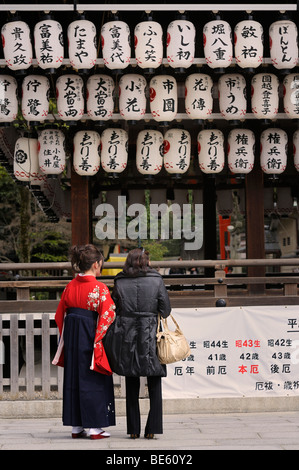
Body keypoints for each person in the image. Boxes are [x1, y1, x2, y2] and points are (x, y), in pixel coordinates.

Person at [103, 248, 171, 439]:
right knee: (155, 381)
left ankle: (133, 429)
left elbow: (114, 306)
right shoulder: (157, 280)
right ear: (147, 262)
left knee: (131, 380)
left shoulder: (120, 281)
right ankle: (152, 429)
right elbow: (165, 310)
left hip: (127, 333)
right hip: (151, 333)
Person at [53, 244, 116, 440]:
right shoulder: (99, 288)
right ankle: (94, 427)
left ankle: (76, 425)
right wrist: (99, 338)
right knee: (93, 377)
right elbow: (108, 313)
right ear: (96, 264)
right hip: (90, 335)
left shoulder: (69, 286)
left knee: (74, 378)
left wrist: (68, 336)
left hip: (72, 336)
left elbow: (59, 315)